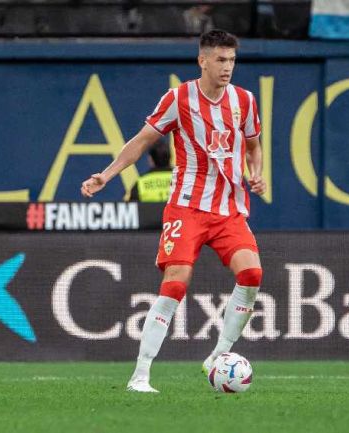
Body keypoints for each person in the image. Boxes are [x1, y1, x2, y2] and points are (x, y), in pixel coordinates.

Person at [81, 29, 266, 393]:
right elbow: (142, 141)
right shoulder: (179, 98)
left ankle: (218, 355)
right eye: (220, 60)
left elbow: (253, 146)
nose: (228, 67)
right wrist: (107, 174)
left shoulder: (244, 101)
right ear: (203, 61)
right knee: (175, 284)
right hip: (186, 208)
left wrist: (255, 174)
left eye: (232, 60)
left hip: (229, 209)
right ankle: (141, 374)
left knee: (252, 275)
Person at [128, 137, 172, 203]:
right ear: (170, 157)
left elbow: (133, 210)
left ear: (151, 159)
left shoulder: (141, 183)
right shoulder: (182, 180)